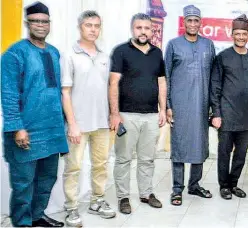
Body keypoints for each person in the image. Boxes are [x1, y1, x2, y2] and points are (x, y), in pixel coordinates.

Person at [1, 2, 67, 227]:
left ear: (50, 24)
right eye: (36, 21)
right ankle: (22, 223)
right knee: (23, 183)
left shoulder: (54, 52)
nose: (40, 25)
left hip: (52, 130)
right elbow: (8, 95)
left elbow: (57, 92)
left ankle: (37, 215)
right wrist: (17, 127)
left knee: (47, 179)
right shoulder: (14, 53)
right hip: (26, 130)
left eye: (44, 21)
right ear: (27, 23)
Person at [61, 10, 116, 226]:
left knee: (101, 164)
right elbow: (65, 92)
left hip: (101, 123)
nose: (93, 29)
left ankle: (97, 201)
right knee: (73, 167)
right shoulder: (69, 55)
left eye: (96, 26)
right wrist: (72, 124)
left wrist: (113, 114)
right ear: (80, 27)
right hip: (79, 125)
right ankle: (71, 208)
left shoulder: (104, 57)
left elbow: (110, 88)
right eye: (88, 25)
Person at [109, 13, 167, 214]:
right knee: (123, 158)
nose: (143, 31)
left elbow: (161, 82)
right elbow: (113, 83)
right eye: (139, 27)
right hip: (126, 115)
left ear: (152, 30)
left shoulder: (157, 53)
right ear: (132, 29)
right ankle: (123, 197)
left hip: (151, 116)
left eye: (147, 28)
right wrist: (115, 114)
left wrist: (162, 109)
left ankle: (146, 193)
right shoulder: (121, 52)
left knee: (147, 158)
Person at [164, 5, 216, 206]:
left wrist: (213, 105)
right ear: (183, 22)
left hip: (202, 105)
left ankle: (194, 185)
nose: (193, 24)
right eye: (189, 20)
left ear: (200, 22)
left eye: (196, 20)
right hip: (179, 105)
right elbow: (166, 76)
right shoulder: (174, 45)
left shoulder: (208, 45)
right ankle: (177, 189)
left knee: (199, 145)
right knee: (179, 145)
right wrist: (167, 105)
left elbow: (214, 77)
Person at [210, 14, 248, 200]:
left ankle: (234, 183)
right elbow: (215, 86)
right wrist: (216, 113)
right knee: (224, 152)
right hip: (226, 114)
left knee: (241, 154)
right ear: (232, 34)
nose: (240, 37)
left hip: (246, 116)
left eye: (243, 34)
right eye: (237, 33)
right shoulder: (223, 57)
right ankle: (224, 185)